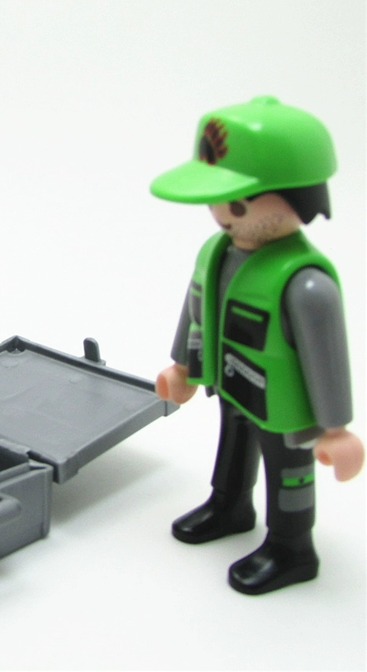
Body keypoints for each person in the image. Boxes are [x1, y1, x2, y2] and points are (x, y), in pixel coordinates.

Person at [150, 96, 363, 594]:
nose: (223, 215)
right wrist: (182, 366)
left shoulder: (305, 284)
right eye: (217, 199)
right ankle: (230, 504)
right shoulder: (216, 253)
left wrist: (336, 428)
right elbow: (196, 309)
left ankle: (292, 546)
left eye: (239, 202)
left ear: (298, 198)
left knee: (290, 472)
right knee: (233, 445)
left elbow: (328, 359)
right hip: (233, 383)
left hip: (284, 406)